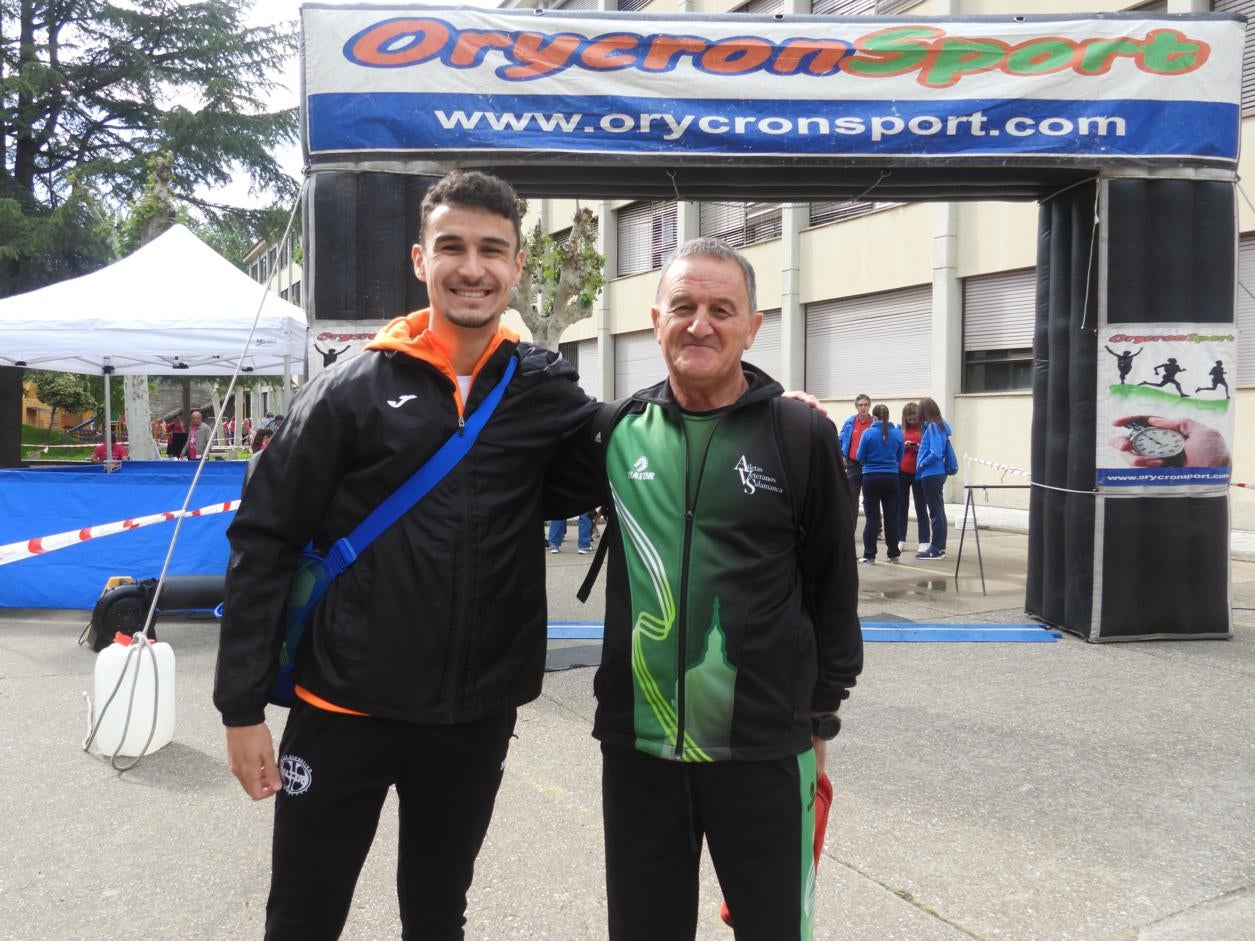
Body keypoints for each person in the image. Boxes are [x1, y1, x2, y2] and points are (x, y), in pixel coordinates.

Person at [213, 170, 599, 939]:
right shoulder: (349, 387)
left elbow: (627, 443)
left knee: (436, 912)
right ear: (420, 259)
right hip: (341, 706)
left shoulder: (542, 391)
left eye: (491, 249)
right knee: (302, 914)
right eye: (451, 246)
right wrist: (240, 709)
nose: (471, 267)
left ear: (517, 265)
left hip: (471, 716)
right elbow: (264, 537)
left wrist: (759, 405)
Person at [586, 238, 862, 940]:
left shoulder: (799, 433)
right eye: (682, 307)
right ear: (655, 320)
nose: (699, 324)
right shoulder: (616, 430)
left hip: (764, 745)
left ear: (752, 326)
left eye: (720, 309)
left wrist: (822, 714)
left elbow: (834, 580)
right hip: (640, 746)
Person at [856, 403, 904, 564]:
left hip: (871, 477)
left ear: (874, 417)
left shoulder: (868, 433)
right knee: (891, 517)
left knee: (872, 518)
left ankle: (869, 555)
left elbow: (860, 456)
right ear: (889, 417)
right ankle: (893, 554)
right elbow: (900, 456)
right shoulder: (897, 434)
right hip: (892, 478)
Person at [914, 397, 953, 560]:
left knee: (935, 512)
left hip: (931, 473)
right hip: (937, 473)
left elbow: (935, 452)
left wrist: (922, 463)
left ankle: (936, 548)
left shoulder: (932, 426)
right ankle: (939, 546)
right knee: (938, 510)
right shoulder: (940, 425)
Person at [897, 401, 928, 554]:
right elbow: (895, 448)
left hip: (919, 471)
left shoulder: (925, 429)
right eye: (909, 419)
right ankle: (900, 539)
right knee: (901, 506)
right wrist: (903, 446)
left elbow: (929, 448)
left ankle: (924, 540)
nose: (912, 421)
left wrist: (918, 447)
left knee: (921, 506)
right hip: (902, 470)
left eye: (914, 418)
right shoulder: (900, 430)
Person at [838, 393, 873, 521]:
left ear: (869, 406)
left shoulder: (874, 422)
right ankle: (851, 528)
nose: (863, 407)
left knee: (870, 498)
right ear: (856, 407)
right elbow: (841, 439)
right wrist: (842, 455)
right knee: (852, 498)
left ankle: (875, 528)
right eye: (860, 405)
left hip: (869, 465)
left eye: (865, 405)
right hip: (853, 465)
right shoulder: (850, 422)